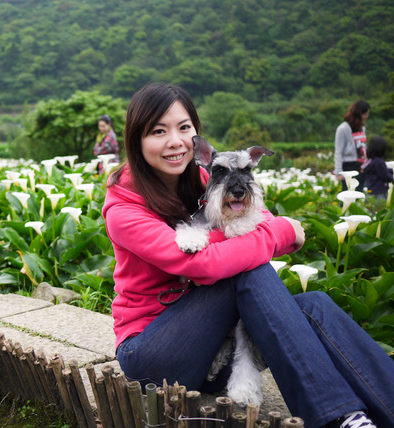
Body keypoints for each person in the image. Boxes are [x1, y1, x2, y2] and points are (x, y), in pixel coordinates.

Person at [101, 82, 394, 428]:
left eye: (184, 128)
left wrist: (269, 227)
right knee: (249, 268)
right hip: (153, 353)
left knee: (312, 306)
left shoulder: (206, 176)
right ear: (136, 140)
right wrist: (284, 231)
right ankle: (339, 417)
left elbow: (259, 217)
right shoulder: (123, 207)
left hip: (212, 350)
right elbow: (199, 264)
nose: (175, 141)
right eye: (158, 131)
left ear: (196, 136)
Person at [334, 100, 370, 191]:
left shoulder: (362, 128)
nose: (366, 117)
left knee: (359, 193)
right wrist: (338, 172)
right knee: (348, 192)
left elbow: (363, 146)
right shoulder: (343, 129)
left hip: (361, 166)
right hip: (349, 166)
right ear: (358, 114)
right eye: (365, 114)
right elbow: (338, 151)